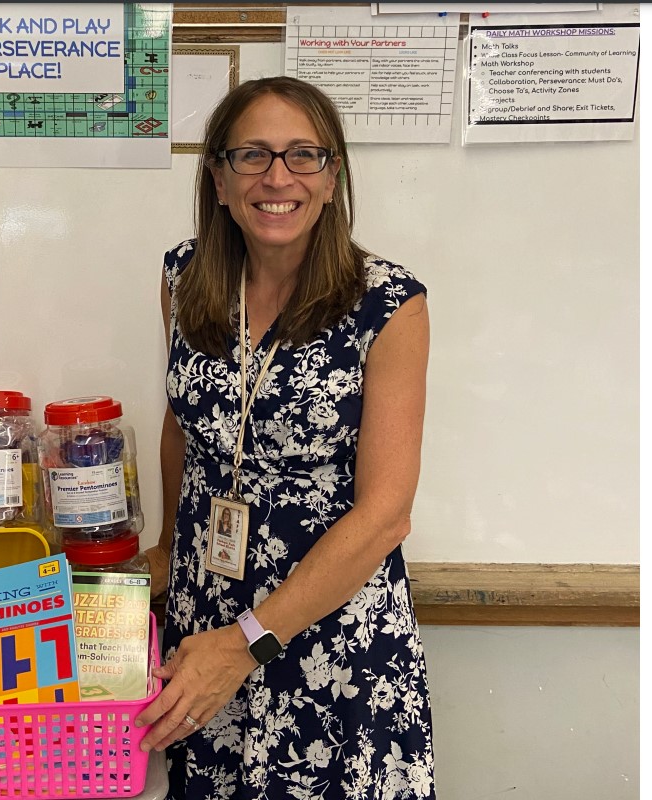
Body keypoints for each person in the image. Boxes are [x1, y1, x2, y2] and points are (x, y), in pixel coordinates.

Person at [138, 76, 434, 799]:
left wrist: (246, 645)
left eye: (305, 155)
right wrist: (170, 553)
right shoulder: (184, 279)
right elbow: (183, 427)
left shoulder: (390, 306)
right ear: (217, 177)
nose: (278, 177)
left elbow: (386, 514)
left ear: (333, 180)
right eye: (252, 156)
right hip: (204, 617)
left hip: (329, 632)